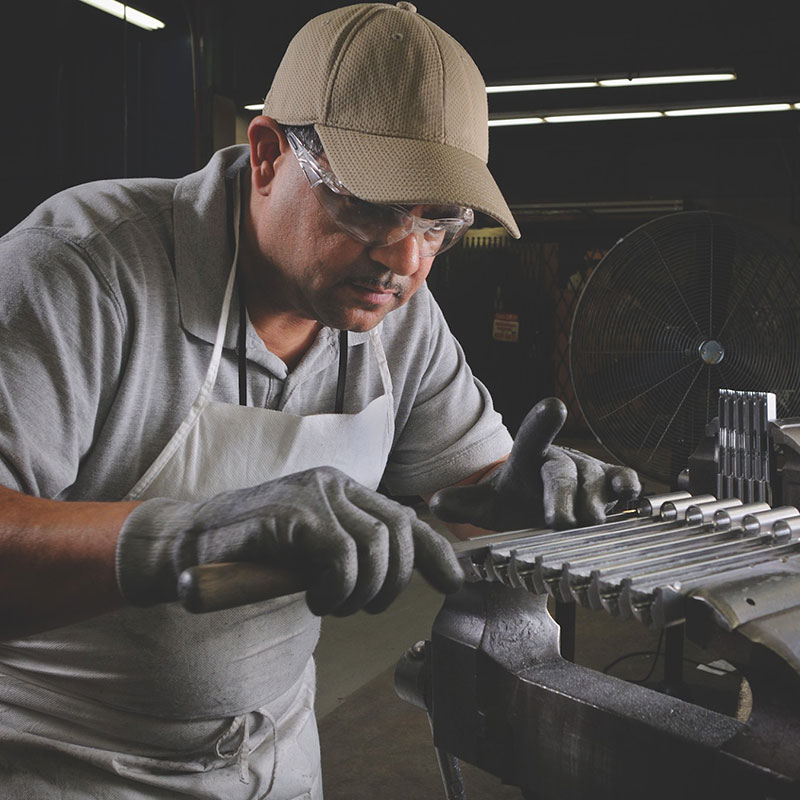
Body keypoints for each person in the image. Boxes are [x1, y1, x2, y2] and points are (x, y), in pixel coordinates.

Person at [0, 2, 639, 797]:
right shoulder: (81, 273)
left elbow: (474, 489)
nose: (404, 259)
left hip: (279, 757)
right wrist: (191, 532)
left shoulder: (396, 316)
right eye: (368, 205)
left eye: (439, 222)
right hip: (69, 764)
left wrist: (518, 496)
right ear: (266, 152)